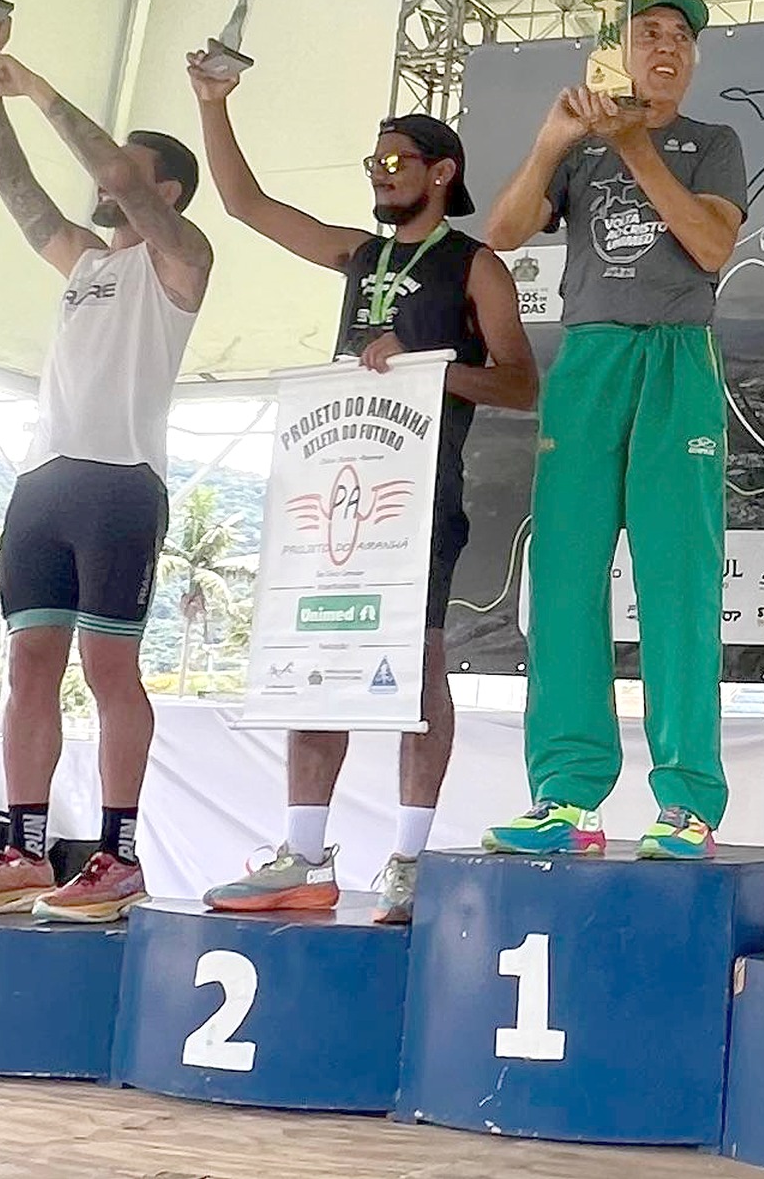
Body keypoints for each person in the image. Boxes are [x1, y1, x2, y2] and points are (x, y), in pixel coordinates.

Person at [184, 56, 539, 922]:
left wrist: (432, 368)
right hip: (332, 486)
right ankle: (304, 855)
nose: (379, 178)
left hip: (417, 496)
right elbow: (247, 206)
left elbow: (522, 383)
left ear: (439, 172)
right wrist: (211, 104)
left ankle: (411, 860)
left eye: (393, 164)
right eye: (372, 167)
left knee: (417, 667)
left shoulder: (473, 264)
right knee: (317, 668)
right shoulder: (357, 252)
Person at [0, 19, 212, 923]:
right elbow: (12, 186)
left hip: (122, 480)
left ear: (163, 187)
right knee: (29, 663)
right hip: (42, 481)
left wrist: (38, 86)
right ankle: (23, 843)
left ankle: (119, 852)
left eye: (122, 165)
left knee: (108, 667)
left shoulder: (182, 258)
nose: (100, 176)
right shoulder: (84, 261)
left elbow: (122, 176)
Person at [479, 0, 747, 860]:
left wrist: (636, 146)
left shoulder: (712, 143)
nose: (665, 47)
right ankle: (564, 793)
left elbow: (711, 247)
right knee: (563, 576)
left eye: (680, 36)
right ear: (616, 52)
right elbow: (506, 232)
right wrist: (557, 137)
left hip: (676, 357)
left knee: (677, 580)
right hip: (590, 357)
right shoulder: (579, 148)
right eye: (647, 34)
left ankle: (686, 801)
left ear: (693, 58)